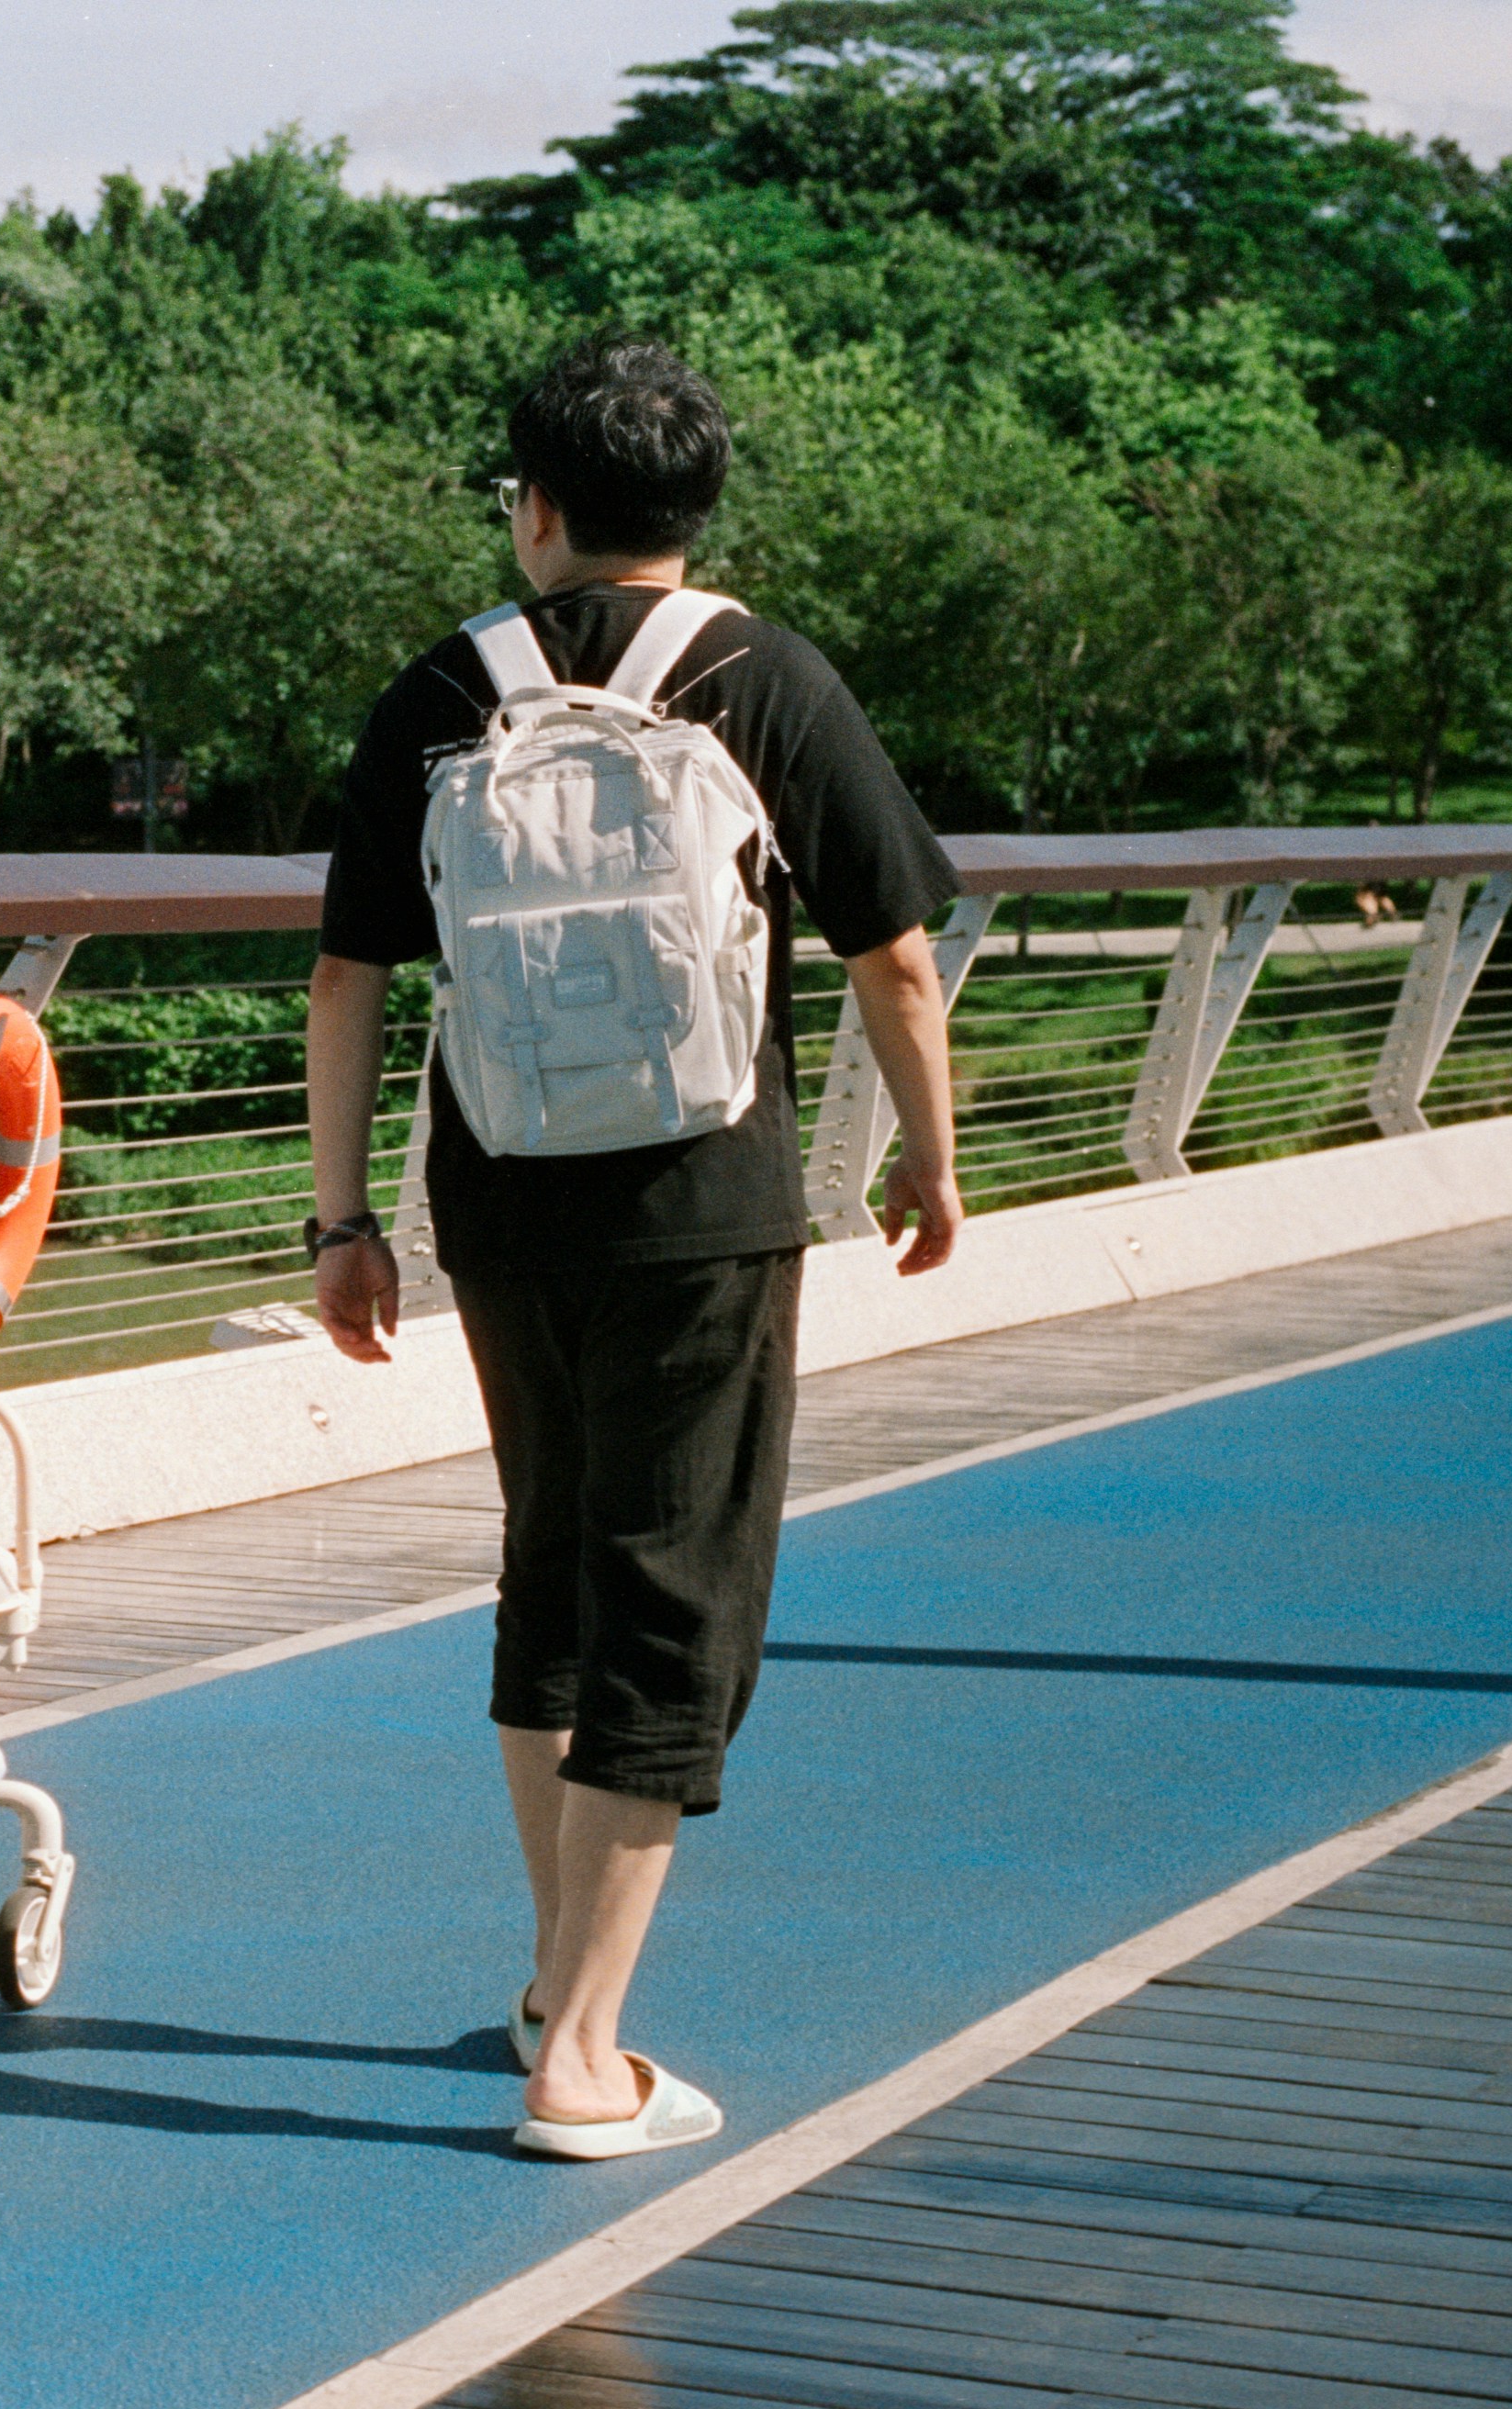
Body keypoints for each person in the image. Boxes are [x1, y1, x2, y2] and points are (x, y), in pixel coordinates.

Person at [303, 339, 965, 2159]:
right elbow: (893, 953)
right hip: (706, 1206)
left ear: (533, 509)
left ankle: (549, 1978)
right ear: (700, 507)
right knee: (677, 1603)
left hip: (500, 1194)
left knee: (556, 1572)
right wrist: (924, 1149)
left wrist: (344, 1218)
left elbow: (351, 968)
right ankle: (584, 2057)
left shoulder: (444, 690)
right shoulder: (764, 676)